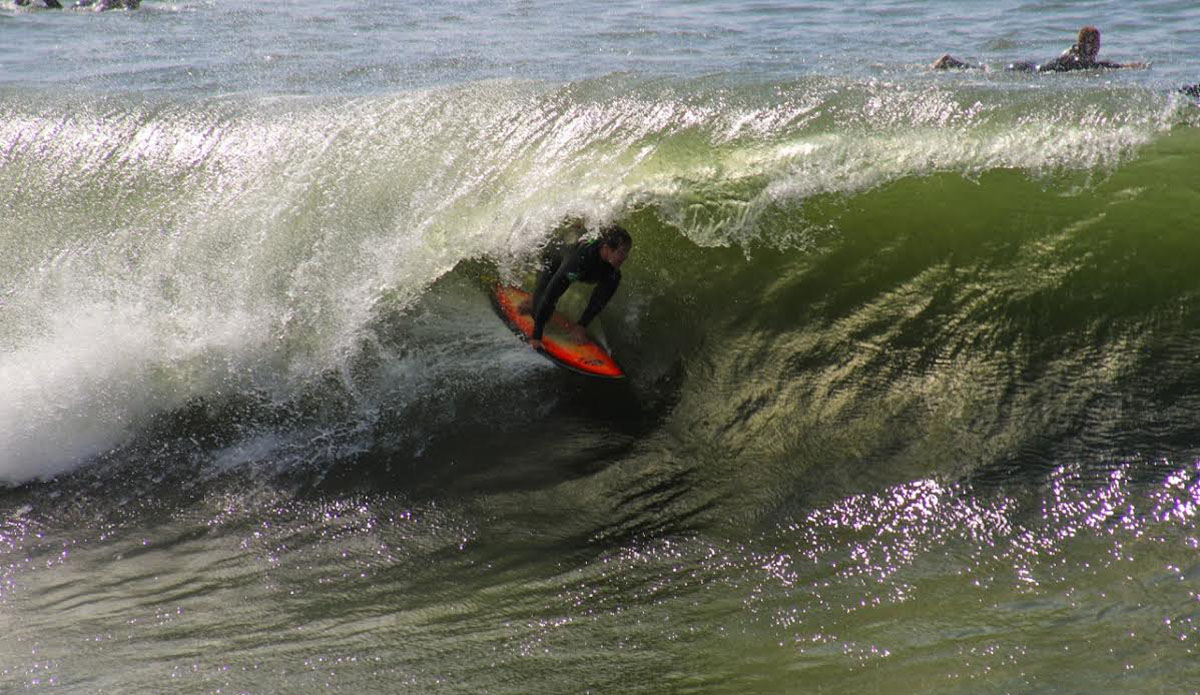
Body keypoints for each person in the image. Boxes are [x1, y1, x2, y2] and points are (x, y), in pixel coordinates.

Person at [518, 224, 632, 352]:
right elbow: (552, 293)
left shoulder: (611, 269)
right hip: (553, 258)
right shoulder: (578, 261)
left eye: (626, 253)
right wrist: (536, 337)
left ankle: (578, 325)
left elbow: (599, 299)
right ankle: (533, 300)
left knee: (613, 278)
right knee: (538, 310)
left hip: (582, 254)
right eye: (621, 252)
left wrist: (582, 326)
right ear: (606, 248)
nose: (625, 258)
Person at [932, 26, 1145, 73]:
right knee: (984, 73)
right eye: (1095, 43)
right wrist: (1125, 66)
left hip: (1027, 66)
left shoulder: (1075, 53)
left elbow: (1098, 65)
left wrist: (1126, 65)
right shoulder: (1077, 58)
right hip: (1025, 70)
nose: (1098, 48)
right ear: (1085, 44)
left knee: (984, 71)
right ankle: (950, 61)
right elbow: (1098, 66)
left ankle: (951, 62)